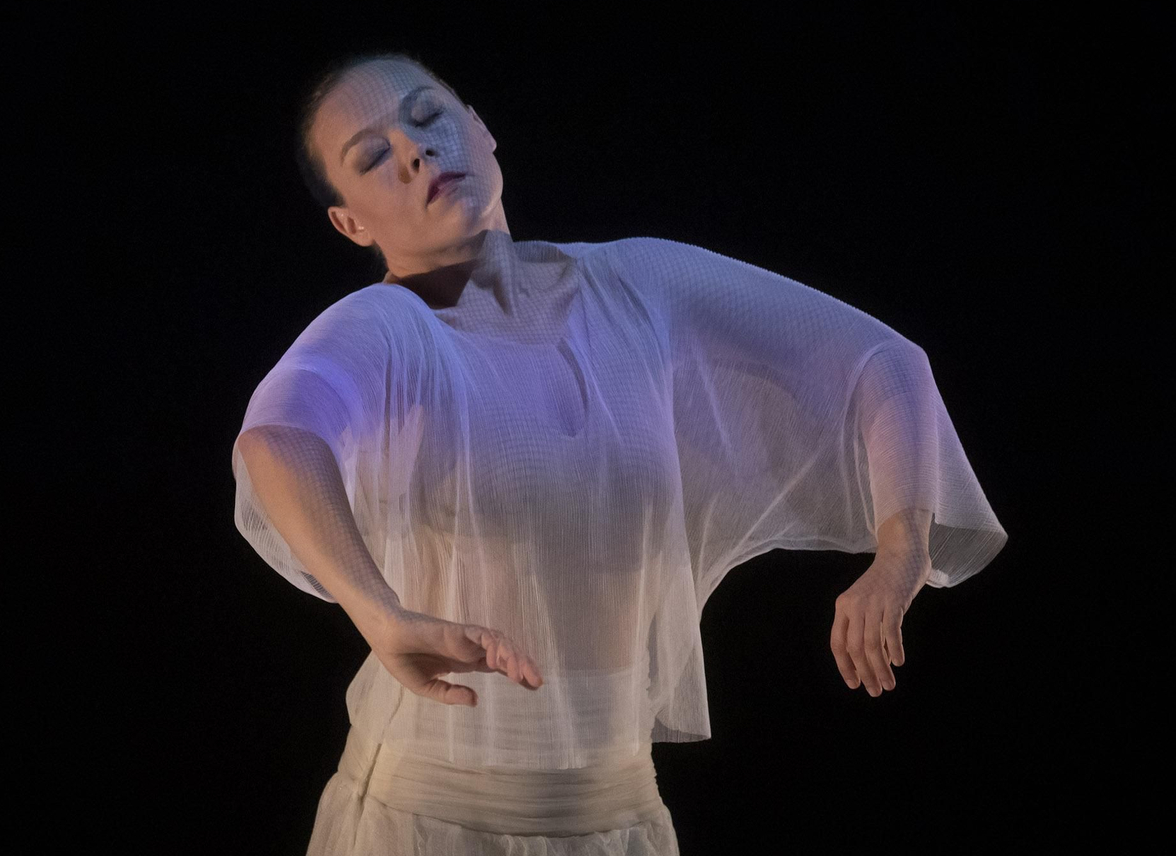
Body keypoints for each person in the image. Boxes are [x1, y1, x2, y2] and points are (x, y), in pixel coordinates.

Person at [231, 51, 1008, 856]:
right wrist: (380, 612)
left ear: (480, 129)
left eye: (428, 117)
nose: (415, 152)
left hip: (618, 813)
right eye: (372, 158)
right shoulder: (382, 329)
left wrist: (902, 548)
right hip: (428, 820)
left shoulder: (638, 282)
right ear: (351, 223)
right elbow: (279, 437)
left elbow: (885, 365)